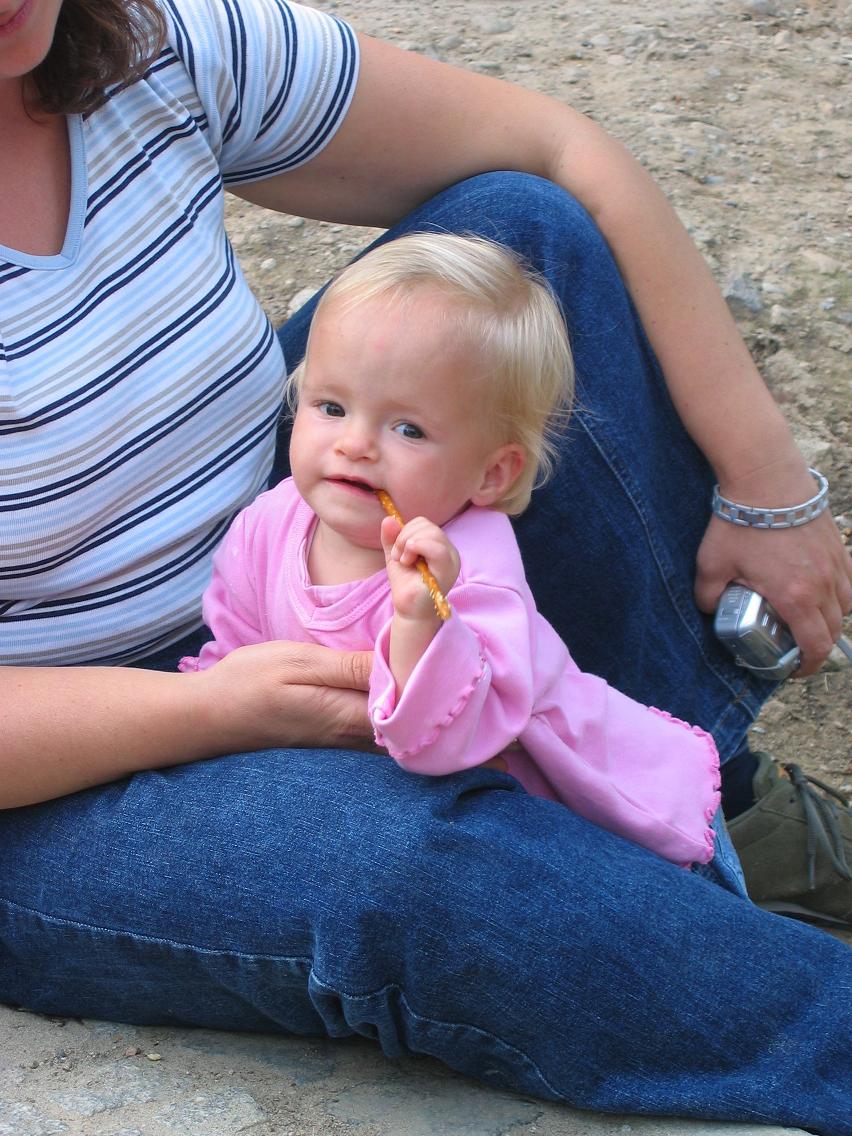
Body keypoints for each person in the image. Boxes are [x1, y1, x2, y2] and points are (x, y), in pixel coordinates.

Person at [0, 0, 850, 1131]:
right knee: (402, 858)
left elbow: (557, 150)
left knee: (509, 254)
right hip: (49, 766)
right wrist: (214, 713)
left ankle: (705, 800)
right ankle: (795, 1011)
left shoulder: (148, 43)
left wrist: (768, 486)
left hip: (279, 552)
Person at [181, 232, 723, 870]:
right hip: (370, 797)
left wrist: (423, 623)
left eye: (408, 429)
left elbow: (447, 741)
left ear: (491, 474)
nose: (355, 444)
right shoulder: (270, 524)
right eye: (331, 406)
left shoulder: (467, 571)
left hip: (566, 807)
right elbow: (234, 653)